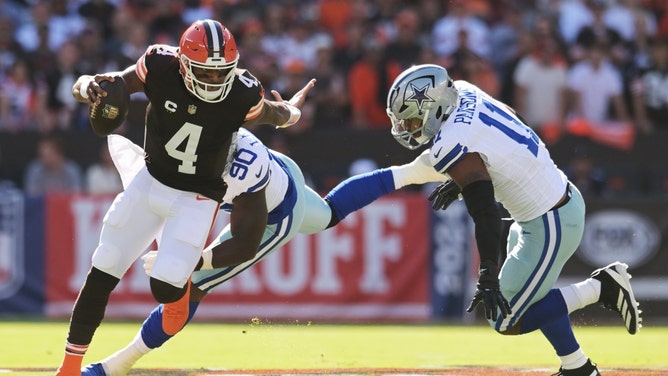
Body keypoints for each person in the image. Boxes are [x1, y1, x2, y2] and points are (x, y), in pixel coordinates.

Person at [55, 19, 315, 376]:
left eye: (221, 72)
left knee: (165, 286)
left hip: (198, 197)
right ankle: (68, 369)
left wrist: (294, 110)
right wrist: (89, 86)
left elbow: (273, 113)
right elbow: (117, 82)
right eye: (204, 73)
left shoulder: (241, 92)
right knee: (105, 266)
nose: (213, 80)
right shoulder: (160, 65)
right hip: (151, 180)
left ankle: (175, 289)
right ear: (183, 63)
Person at [80, 127, 448, 376]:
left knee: (191, 283)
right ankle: (412, 172)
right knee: (328, 214)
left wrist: (193, 259)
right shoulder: (212, 132)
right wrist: (286, 109)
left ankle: (116, 366)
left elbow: (244, 245)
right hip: (284, 171)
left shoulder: (243, 176)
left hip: (272, 216)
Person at [386, 64, 641, 375]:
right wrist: (465, 177)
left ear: (435, 106)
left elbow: (486, 213)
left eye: (412, 118)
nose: (408, 127)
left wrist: (487, 274)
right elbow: (510, 122)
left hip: (550, 221)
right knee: (535, 295)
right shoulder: (466, 92)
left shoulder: (452, 138)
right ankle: (577, 367)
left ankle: (602, 288)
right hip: (540, 213)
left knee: (506, 320)